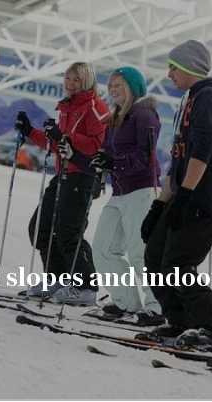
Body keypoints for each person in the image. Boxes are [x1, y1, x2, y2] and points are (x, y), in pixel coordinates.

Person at [138, 40, 212, 347]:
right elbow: (179, 161)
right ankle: (179, 321)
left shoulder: (209, 97)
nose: (168, 74)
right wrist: (159, 205)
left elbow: (203, 150)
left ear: (190, 67)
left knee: (178, 266)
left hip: (203, 199)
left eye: (173, 67)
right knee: (154, 258)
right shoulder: (191, 99)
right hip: (184, 194)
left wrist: (186, 196)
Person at [66, 66, 164, 326]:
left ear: (132, 88)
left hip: (142, 191)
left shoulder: (145, 115)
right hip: (119, 192)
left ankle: (156, 306)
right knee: (104, 249)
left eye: (117, 85)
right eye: (110, 85)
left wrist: (114, 161)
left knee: (139, 252)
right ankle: (125, 302)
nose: (111, 89)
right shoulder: (114, 118)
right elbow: (102, 160)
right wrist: (72, 154)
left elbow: (146, 157)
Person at [15, 62, 109, 306]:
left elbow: (99, 145)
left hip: (83, 176)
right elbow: (59, 146)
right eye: (68, 78)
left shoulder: (95, 108)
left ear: (87, 81)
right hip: (64, 174)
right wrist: (30, 131)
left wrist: (65, 136)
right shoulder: (68, 107)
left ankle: (85, 287)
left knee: (69, 232)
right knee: (40, 227)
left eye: (76, 80)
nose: (70, 83)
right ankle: (56, 279)